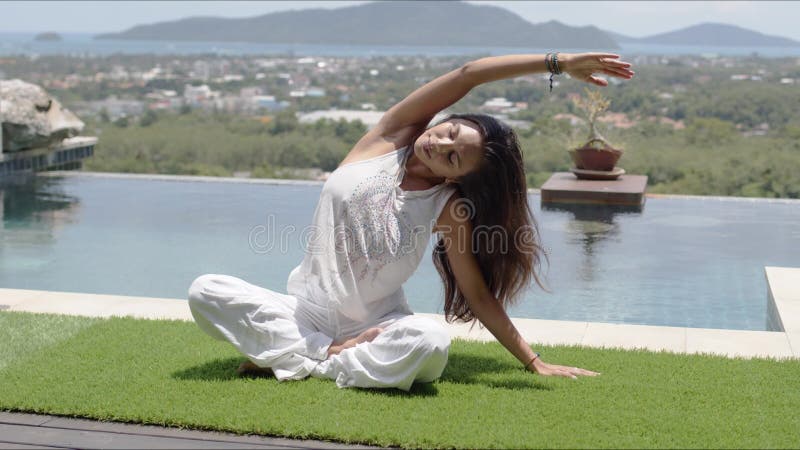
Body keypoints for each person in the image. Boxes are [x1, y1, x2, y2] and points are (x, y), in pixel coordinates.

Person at [188, 52, 635, 390]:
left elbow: (477, 293)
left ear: (460, 178)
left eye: (453, 157)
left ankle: (300, 359)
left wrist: (532, 360)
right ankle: (322, 356)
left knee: (431, 343)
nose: (438, 145)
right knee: (206, 290)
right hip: (305, 312)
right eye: (450, 132)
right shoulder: (386, 138)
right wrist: (556, 62)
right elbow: (468, 76)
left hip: (375, 327)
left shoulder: (446, 207)